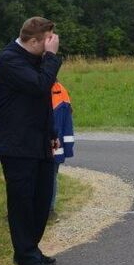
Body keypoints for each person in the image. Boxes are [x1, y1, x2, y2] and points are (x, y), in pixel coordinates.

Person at [0, 17, 61, 265]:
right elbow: (39, 85)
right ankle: (27, 257)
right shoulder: (9, 60)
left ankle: (31, 248)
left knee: (41, 199)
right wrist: (51, 58)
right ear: (33, 41)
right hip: (16, 143)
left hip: (39, 139)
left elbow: (43, 99)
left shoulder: (34, 59)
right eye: (47, 40)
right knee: (22, 202)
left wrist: (52, 131)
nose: (52, 44)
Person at [49, 81, 75, 222]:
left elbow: (67, 122)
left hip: (52, 145)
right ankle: (49, 212)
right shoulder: (61, 90)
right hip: (54, 146)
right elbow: (68, 123)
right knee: (50, 177)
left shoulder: (31, 84)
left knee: (49, 177)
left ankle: (49, 211)